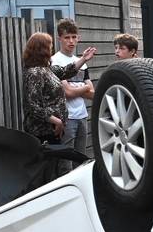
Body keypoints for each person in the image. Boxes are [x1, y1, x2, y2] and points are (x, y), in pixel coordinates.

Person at [21, 32, 92, 144]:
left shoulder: (46, 69)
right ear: (42, 49)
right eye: (49, 46)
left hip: (53, 130)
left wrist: (83, 59)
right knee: (48, 161)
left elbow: (65, 71)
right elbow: (33, 106)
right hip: (42, 132)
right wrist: (56, 121)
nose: (51, 49)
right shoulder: (34, 73)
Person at [51, 18, 97, 156]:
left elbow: (93, 93)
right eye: (67, 37)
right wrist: (83, 87)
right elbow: (68, 93)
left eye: (74, 37)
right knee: (66, 160)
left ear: (78, 38)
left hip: (82, 115)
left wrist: (74, 87)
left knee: (81, 157)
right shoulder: (55, 61)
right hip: (66, 117)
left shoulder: (81, 62)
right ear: (59, 38)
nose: (71, 41)